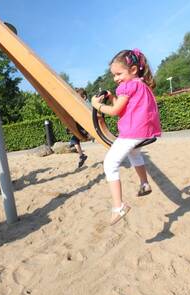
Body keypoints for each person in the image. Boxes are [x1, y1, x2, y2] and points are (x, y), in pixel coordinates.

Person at [90, 49, 161, 225]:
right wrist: (113, 97)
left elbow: (114, 111)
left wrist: (96, 105)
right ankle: (144, 183)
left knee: (110, 164)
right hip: (144, 131)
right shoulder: (141, 84)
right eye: (113, 75)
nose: (116, 79)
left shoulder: (127, 86)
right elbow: (122, 107)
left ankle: (118, 207)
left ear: (134, 69)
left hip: (132, 131)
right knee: (134, 154)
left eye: (119, 74)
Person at [68, 88, 89, 168]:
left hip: (86, 130)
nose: (76, 99)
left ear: (84, 97)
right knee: (74, 139)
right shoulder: (80, 106)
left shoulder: (86, 105)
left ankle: (80, 154)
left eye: (78, 97)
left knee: (74, 140)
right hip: (82, 129)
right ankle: (81, 155)